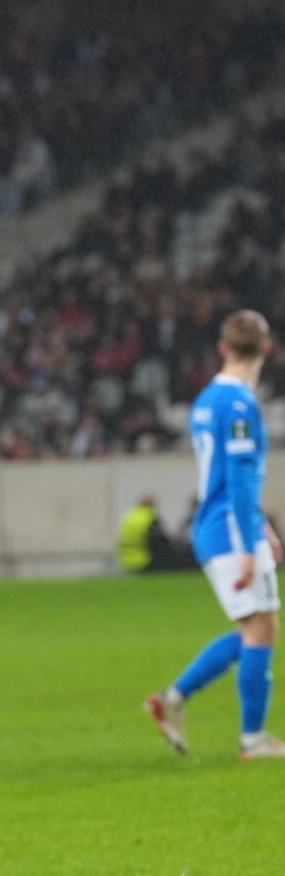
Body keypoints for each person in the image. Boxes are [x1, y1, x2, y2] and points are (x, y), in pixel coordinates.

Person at [144, 310, 285, 759]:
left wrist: (260, 527)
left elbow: (227, 474)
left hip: (219, 522)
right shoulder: (241, 404)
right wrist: (249, 544)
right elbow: (241, 480)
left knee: (253, 629)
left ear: (223, 347)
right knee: (262, 630)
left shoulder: (206, 400)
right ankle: (253, 739)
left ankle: (172, 700)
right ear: (266, 349)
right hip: (229, 528)